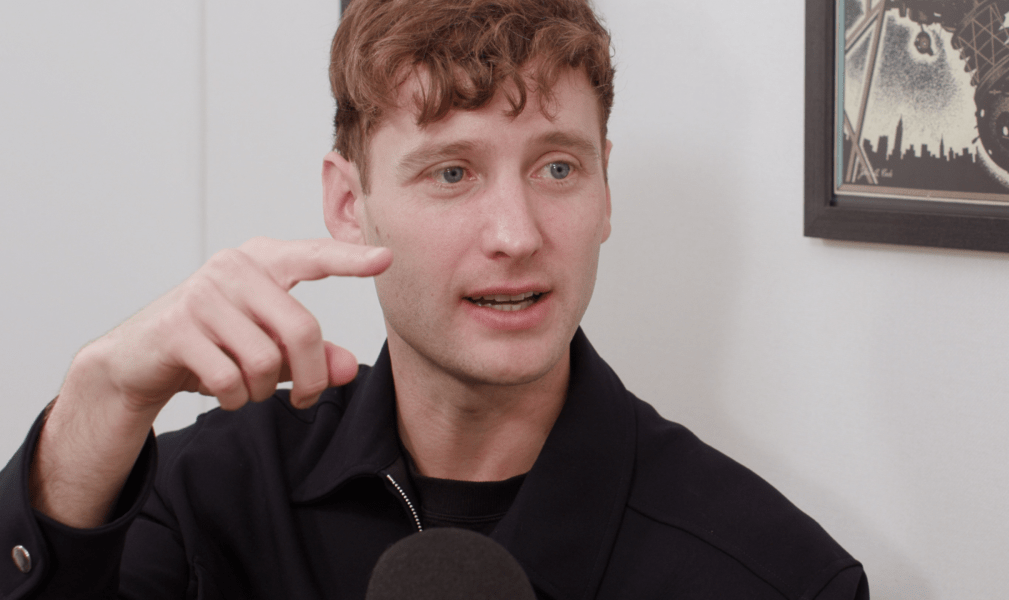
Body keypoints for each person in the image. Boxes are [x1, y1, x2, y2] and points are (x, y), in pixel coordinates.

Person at [0, 0, 867, 598]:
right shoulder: (206, 500)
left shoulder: (777, 575)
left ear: (605, 189)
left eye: (556, 167)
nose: (516, 234)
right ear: (349, 202)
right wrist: (100, 398)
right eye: (452, 173)